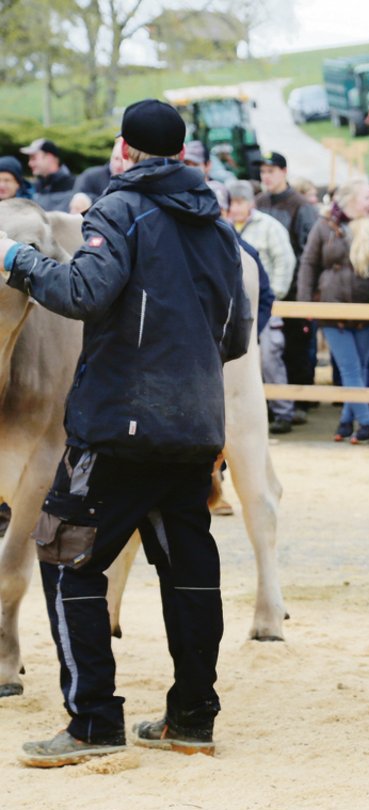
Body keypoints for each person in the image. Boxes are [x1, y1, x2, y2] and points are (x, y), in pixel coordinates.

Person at [0, 98, 252, 767]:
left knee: (64, 557)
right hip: (195, 427)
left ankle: (92, 723)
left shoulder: (118, 209)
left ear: (123, 150)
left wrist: (18, 261)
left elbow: (84, 294)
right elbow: (237, 333)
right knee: (190, 572)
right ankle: (193, 716)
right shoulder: (219, 225)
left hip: (119, 428)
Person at [297, 176, 369, 443]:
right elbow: (309, 264)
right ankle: (367, 424)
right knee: (349, 367)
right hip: (331, 307)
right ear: (349, 200)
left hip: (366, 306)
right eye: (366, 197)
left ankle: (347, 422)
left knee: (356, 367)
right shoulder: (324, 225)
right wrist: (304, 304)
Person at [227, 179, 297, 435]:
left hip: (264, 305)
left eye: (240, 202)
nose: (236, 208)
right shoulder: (223, 228)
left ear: (251, 203)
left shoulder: (268, 227)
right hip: (233, 311)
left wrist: (274, 295)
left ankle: (283, 410)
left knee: (269, 358)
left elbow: (284, 261)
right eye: (232, 203)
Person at [254, 150, 319, 424]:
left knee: (296, 345)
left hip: (291, 290)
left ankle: (300, 399)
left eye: (271, 171)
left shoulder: (301, 205)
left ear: (283, 171)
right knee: (267, 351)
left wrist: (304, 291)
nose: (266, 177)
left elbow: (308, 250)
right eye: (263, 172)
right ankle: (271, 401)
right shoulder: (257, 203)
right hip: (263, 291)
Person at [22, 138, 76, 212]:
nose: (30, 163)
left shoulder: (74, 184)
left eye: (33, 158)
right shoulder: (35, 186)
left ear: (49, 157)